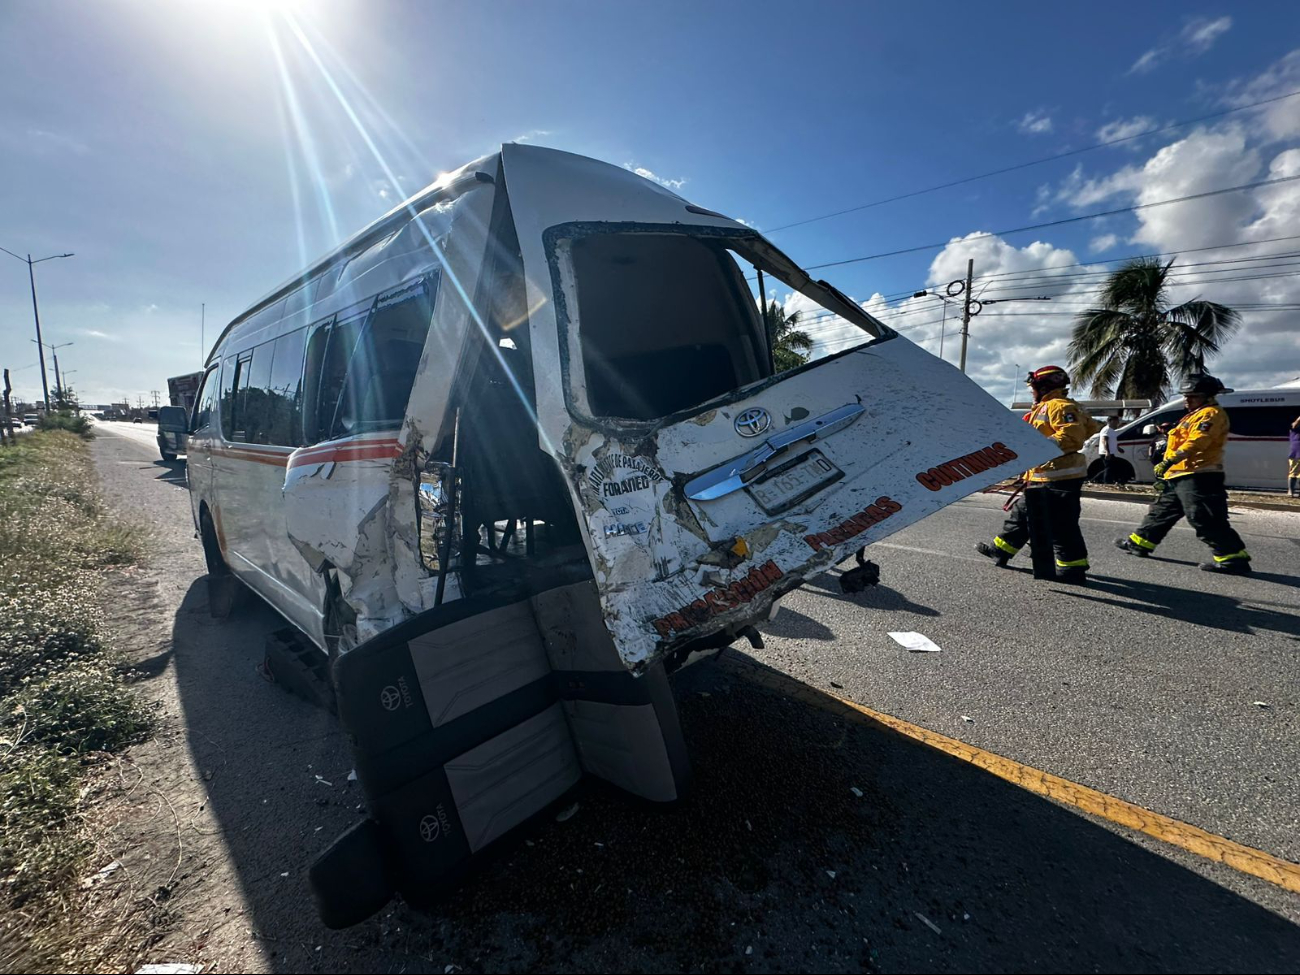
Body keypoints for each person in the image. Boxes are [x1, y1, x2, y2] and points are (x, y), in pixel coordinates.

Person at [975, 365, 1102, 583]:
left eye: (1033, 387)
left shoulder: (1060, 406)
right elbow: (1090, 428)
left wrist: (1039, 447)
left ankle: (1073, 569)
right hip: (1043, 475)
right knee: (1022, 515)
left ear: (1043, 386)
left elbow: (1073, 437)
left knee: (1061, 525)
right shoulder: (1046, 407)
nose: (1031, 391)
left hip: (1059, 477)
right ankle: (1001, 550)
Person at [1115, 373, 1251, 573]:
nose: (1187, 400)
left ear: (1208, 396)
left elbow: (1197, 442)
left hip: (1199, 474)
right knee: (1161, 512)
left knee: (1204, 516)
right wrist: (1170, 430)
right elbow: (1186, 435)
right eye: (1186, 396)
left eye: (1193, 396)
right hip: (1180, 474)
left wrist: (1170, 460)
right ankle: (1139, 543)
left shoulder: (1211, 414)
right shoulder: (1194, 414)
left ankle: (1232, 558)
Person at [1098, 415, 1123, 483]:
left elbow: (1112, 441)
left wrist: (1118, 448)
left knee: (1112, 467)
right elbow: (1105, 441)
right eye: (1116, 421)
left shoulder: (1112, 430)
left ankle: (1111, 480)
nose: (1117, 423)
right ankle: (1107, 482)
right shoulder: (1106, 429)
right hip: (1105, 453)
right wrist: (1107, 452)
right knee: (1108, 468)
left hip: (1111, 452)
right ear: (1111, 421)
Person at [1289, 415, 1300, 497]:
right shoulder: (1295, 430)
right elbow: (1295, 424)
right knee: (1294, 473)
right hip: (1296, 454)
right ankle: (1291, 491)